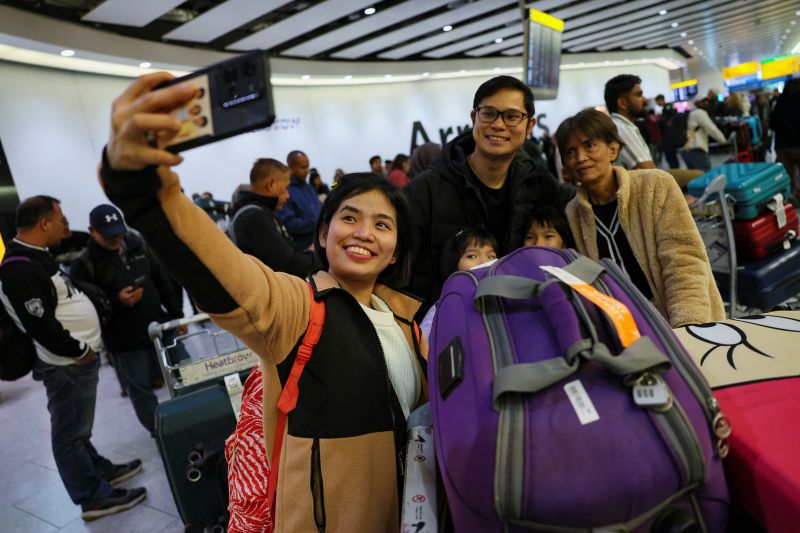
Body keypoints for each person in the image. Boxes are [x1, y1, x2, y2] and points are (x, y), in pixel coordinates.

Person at [100, 70, 429, 532]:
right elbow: (224, 272)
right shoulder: (298, 308)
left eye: (382, 224)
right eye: (349, 217)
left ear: (395, 251)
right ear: (322, 234)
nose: (362, 233)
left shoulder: (407, 324)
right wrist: (142, 188)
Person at [0, 196, 146, 521]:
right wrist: (80, 350)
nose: (64, 224)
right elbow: (40, 324)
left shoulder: (37, 255)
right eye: (60, 218)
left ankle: (97, 471)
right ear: (44, 223)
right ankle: (92, 497)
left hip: (73, 360)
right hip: (64, 363)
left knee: (77, 427)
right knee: (69, 434)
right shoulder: (19, 268)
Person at [405, 75, 574, 313]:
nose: (498, 124)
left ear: (529, 127)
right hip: (446, 321)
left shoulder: (537, 183)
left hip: (519, 317)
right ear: (474, 117)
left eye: (512, 116)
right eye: (488, 113)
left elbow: (581, 208)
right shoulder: (426, 190)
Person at [556, 109, 725, 328]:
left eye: (589, 145)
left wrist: (689, 325)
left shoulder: (654, 186)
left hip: (677, 319)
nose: (580, 158)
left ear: (613, 149)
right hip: (626, 330)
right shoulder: (574, 212)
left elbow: (684, 262)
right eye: (570, 151)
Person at [70, 204, 184, 437]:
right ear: (93, 232)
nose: (116, 239)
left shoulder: (138, 245)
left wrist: (177, 317)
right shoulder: (84, 266)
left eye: (119, 232)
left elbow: (162, 281)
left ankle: (196, 420)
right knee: (140, 389)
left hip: (161, 327)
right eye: (109, 235)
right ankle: (161, 433)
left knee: (188, 370)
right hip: (125, 341)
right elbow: (86, 310)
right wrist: (117, 302)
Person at [229, 158, 316, 277]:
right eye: (286, 188)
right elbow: (290, 266)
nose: (288, 196)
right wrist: (314, 254)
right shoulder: (255, 218)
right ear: (270, 185)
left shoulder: (257, 212)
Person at [418, 226, 498, 339]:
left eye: (491, 256)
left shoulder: (505, 302)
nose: (484, 262)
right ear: (454, 267)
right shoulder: (443, 308)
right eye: (472, 256)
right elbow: (424, 346)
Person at [604, 74, 657, 170]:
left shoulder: (619, 125)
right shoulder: (621, 129)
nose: (645, 100)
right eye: (639, 95)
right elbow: (650, 173)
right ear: (622, 103)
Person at [277, 150, 322, 251]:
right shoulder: (285, 191)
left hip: (321, 241)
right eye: (303, 167)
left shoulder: (310, 188)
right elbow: (288, 223)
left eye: (308, 166)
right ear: (290, 168)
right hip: (303, 248)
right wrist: (316, 224)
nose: (307, 170)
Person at [770, 79, 800, 197]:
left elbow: (772, 125)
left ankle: (791, 199)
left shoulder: (780, 102)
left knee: (787, 178)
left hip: (783, 146)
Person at [680, 97, 728, 172]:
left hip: (687, 148)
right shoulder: (700, 113)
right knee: (705, 174)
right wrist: (723, 140)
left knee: (695, 175)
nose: (707, 104)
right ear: (699, 103)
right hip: (696, 149)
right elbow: (712, 129)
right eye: (705, 102)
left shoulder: (692, 113)